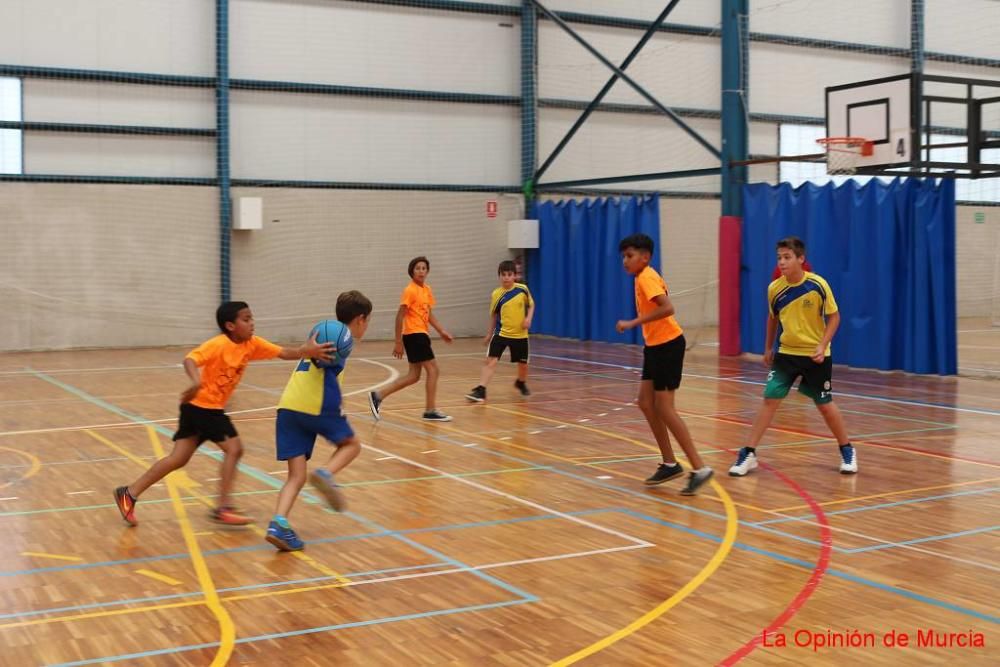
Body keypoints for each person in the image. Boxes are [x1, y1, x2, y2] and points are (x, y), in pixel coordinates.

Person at [113, 301, 333, 526]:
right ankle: (223, 507)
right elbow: (190, 359)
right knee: (234, 449)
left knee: (177, 459)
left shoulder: (251, 344)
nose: (252, 323)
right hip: (203, 409)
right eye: (246, 319)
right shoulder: (217, 345)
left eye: (251, 318)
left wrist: (308, 351)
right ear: (230, 325)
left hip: (199, 409)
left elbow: (285, 352)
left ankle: (129, 493)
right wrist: (196, 380)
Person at [729, 236, 857, 476]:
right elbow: (772, 319)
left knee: (825, 405)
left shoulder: (818, 285)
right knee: (769, 400)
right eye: (779, 258)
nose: (782, 262)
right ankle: (749, 453)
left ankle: (847, 449)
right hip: (786, 354)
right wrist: (768, 348)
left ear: (801, 259)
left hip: (815, 356)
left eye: (787, 257)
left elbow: (835, 317)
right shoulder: (775, 289)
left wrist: (822, 345)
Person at [266, 291, 372, 551]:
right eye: (367, 320)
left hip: (288, 406)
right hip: (317, 404)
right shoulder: (340, 338)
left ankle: (279, 523)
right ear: (360, 319)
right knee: (351, 445)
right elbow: (326, 365)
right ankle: (326, 473)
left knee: (296, 475)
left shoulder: (322, 331)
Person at [615, 234, 714, 495]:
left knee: (665, 408)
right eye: (623, 256)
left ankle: (699, 468)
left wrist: (633, 323)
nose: (625, 261)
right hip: (655, 347)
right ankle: (670, 463)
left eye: (630, 256)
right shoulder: (642, 277)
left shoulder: (646, 276)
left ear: (645, 257)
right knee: (645, 402)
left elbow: (667, 308)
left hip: (668, 346)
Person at [368, 256, 454, 422]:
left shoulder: (427, 290)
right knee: (433, 370)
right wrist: (398, 342)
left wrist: (441, 331)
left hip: (421, 334)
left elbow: (429, 314)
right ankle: (430, 410)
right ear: (412, 272)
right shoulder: (410, 290)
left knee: (413, 376)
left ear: (427, 271)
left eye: (424, 268)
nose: (421, 271)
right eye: (417, 268)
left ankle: (378, 396)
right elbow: (399, 316)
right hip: (414, 335)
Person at [466, 260, 535, 402]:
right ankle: (481, 390)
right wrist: (489, 334)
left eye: (509, 274)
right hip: (501, 334)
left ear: (515, 276)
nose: (506, 278)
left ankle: (520, 382)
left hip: (520, 335)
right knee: (490, 361)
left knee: (523, 365)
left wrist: (528, 318)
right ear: (499, 276)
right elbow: (494, 315)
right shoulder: (496, 294)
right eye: (503, 275)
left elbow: (532, 305)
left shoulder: (523, 289)